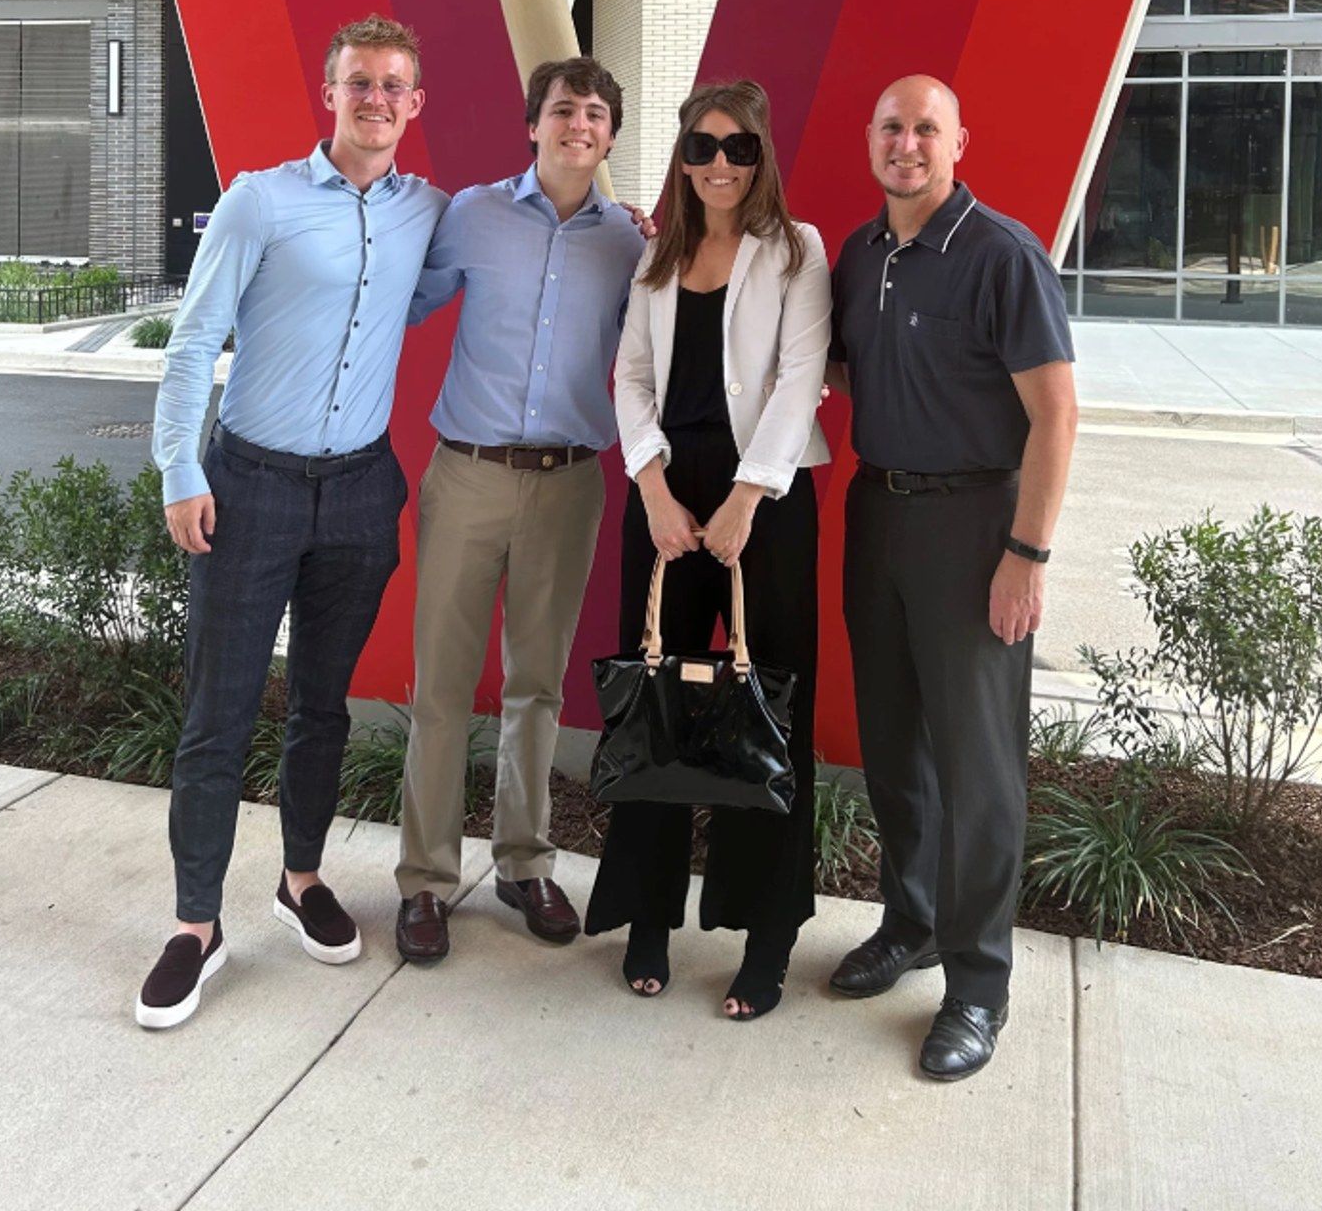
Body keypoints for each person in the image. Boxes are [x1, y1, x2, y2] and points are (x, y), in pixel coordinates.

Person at [138, 14, 444, 1028]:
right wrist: (181, 468)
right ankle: (194, 928)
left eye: (394, 85)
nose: (376, 100)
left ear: (415, 103)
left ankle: (300, 879)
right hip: (250, 485)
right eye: (359, 82)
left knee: (322, 707)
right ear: (332, 92)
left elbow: (431, 293)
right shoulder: (258, 202)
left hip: (358, 492)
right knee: (218, 714)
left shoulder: (424, 213)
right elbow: (193, 344)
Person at [826, 74, 1077, 1080]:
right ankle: (910, 923)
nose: (906, 144)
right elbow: (847, 370)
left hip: (977, 526)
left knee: (978, 769)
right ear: (870, 140)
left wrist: (1025, 554)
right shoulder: (858, 253)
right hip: (877, 511)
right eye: (889, 126)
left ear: (956, 141)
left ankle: (976, 986)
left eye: (924, 128)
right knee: (892, 743)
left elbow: (1055, 416)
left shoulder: (1000, 255)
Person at [585, 79, 830, 1021]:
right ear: (681, 157)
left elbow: (800, 380)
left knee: (766, 713)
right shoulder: (657, 255)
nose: (719, 164)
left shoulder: (794, 253)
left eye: (737, 148)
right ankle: (649, 915)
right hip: (660, 505)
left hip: (762, 502)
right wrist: (649, 487)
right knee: (655, 708)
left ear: (762, 156)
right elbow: (631, 375)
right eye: (701, 147)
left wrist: (743, 500)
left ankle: (765, 933)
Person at [393, 58, 646, 965]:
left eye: (594, 113)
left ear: (610, 134)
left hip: (571, 480)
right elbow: (399, 300)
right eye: (561, 109)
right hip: (467, 474)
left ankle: (523, 861)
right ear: (531, 125)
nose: (578, 124)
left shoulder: (631, 242)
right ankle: (424, 880)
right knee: (441, 689)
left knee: (537, 684)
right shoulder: (473, 213)